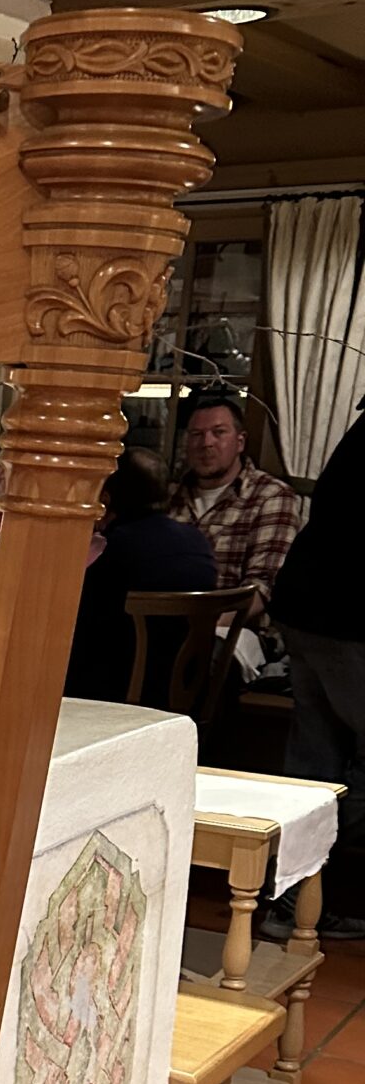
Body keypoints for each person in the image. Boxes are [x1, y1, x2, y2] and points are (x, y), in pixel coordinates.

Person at [271, 402, 365, 935]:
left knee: (313, 764)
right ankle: (300, 892)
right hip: (349, 617)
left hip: (307, 605)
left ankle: (290, 901)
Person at [64, 451, 218, 703]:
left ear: (105, 499)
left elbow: (71, 623)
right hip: (187, 697)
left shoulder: (108, 550)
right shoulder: (197, 542)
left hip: (114, 699)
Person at [167, 392, 301, 623]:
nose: (206, 443)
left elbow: (263, 586)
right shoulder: (169, 496)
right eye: (197, 434)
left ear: (240, 442)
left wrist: (204, 628)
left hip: (234, 629)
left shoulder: (270, 495)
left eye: (219, 432)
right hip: (165, 623)